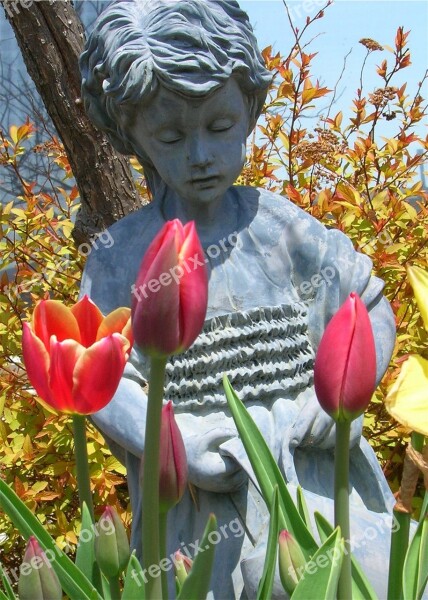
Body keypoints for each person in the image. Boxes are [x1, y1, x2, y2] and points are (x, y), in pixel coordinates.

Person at [79, 1, 396, 597]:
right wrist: (176, 442)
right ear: (132, 133)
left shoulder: (286, 231)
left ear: (250, 107)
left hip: (316, 478)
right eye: (170, 135)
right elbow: (103, 378)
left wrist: (340, 407)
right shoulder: (121, 256)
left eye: (220, 126)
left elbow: (370, 308)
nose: (200, 154)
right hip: (199, 499)